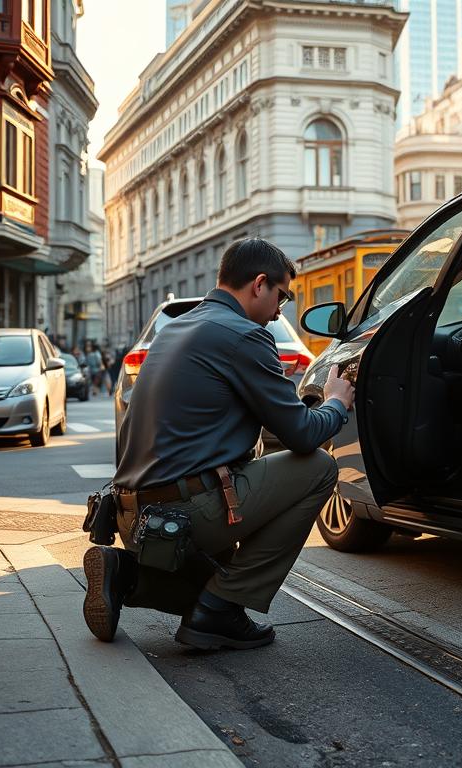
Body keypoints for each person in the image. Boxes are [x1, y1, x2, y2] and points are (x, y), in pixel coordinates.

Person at [82, 238, 354, 650]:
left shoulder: (173, 330)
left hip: (131, 516)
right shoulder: (245, 336)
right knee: (317, 468)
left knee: (205, 583)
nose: (280, 310)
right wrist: (336, 402)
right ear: (259, 284)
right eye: (281, 296)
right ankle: (221, 610)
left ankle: (126, 575)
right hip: (184, 516)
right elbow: (301, 435)